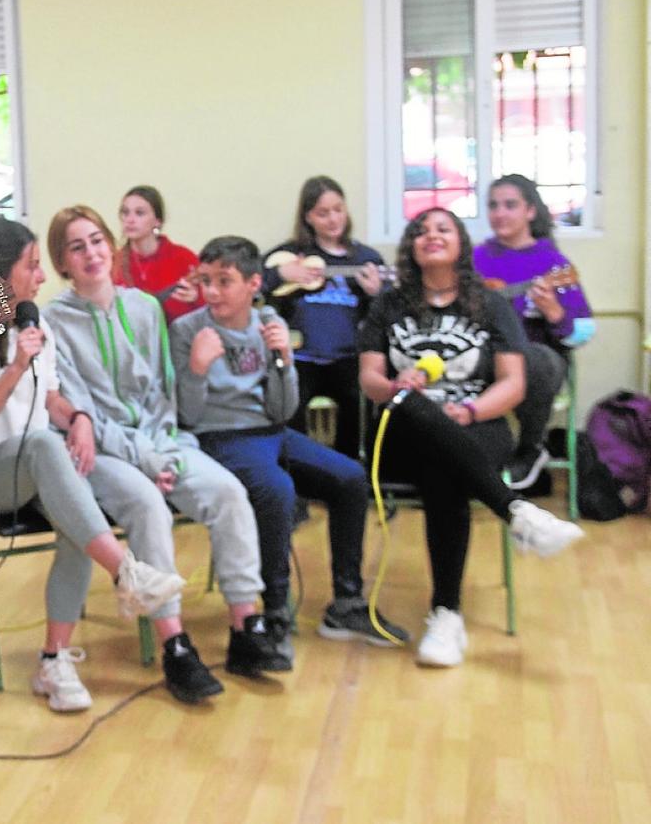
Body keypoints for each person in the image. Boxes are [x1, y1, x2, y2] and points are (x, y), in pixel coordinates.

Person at [0, 217, 186, 713]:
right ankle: (128, 574)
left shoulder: (31, 322)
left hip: (31, 469)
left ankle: (53, 661)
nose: (42, 277)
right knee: (48, 450)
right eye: (31, 266)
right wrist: (14, 369)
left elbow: (50, 401)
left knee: (73, 512)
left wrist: (82, 417)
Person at [42, 205, 281, 699]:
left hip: (158, 440)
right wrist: (144, 460)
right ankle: (176, 646)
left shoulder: (145, 309)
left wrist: (159, 454)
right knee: (149, 506)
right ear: (62, 263)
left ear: (112, 245)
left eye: (96, 240)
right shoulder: (52, 323)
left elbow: (162, 395)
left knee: (229, 493)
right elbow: (83, 413)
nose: (91, 253)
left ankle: (245, 626)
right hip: (100, 452)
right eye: (76, 246)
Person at [357, 208, 584, 668]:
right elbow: (369, 380)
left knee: (446, 469)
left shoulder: (490, 304)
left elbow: (513, 384)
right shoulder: (388, 304)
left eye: (443, 228)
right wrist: (394, 385)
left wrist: (470, 410)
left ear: (460, 242)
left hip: (477, 425)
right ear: (410, 248)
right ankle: (514, 512)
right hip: (401, 430)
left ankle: (446, 615)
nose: (431, 236)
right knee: (411, 409)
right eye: (421, 231)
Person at [170, 236, 410, 665]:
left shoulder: (266, 325)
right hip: (220, 437)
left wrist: (283, 359)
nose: (213, 292)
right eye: (207, 281)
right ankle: (275, 610)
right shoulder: (188, 330)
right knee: (277, 491)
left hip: (272, 430)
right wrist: (197, 369)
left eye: (225, 281)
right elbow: (186, 415)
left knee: (350, 477)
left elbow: (284, 409)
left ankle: (347, 603)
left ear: (253, 283)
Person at [473, 174, 595, 488]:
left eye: (510, 205)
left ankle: (530, 448)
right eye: (493, 206)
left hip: (539, 361)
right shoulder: (475, 259)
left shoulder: (554, 264)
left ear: (530, 211)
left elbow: (583, 331)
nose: (500, 213)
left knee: (531, 358)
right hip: (486, 357)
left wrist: (554, 312)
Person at [262, 176, 386, 460]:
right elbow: (253, 280)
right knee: (288, 402)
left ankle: (348, 471)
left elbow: (384, 314)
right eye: (323, 213)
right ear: (308, 217)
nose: (333, 219)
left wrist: (376, 293)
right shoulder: (292, 255)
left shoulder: (366, 258)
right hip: (301, 357)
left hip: (347, 357)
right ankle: (301, 473)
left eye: (338, 209)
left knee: (359, 400)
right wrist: (281, 274)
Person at [111, 185, 203, 323]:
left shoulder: (183, 258)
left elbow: (210, 310)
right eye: (125, 212)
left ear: (157, 221)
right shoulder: (113, 262)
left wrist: (196, 298)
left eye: (139, 213)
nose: (130, 220)